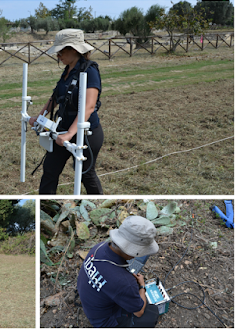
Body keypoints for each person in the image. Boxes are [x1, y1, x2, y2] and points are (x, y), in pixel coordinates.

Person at [28, 29, 104, 194]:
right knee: (50, 170)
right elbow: (55, 98)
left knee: (85, 174)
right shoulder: (67, 70)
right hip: (62, 130)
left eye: (61, 51)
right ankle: (44, 208)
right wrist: (40, 117)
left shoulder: (90, 71)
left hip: (86, 132)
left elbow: (89, 106)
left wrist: (70, 134)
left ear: (74, 49)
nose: (58, 55)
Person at [77, 216, 160, 328]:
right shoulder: (125, 282)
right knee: (151, 313)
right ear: (133, 251)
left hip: (90, 302)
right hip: (103, 322)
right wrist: (142, 286)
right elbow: (139, 312)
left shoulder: (98, 248)